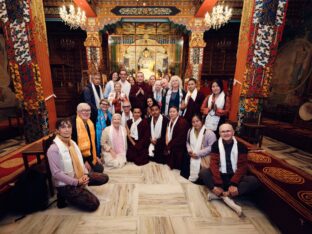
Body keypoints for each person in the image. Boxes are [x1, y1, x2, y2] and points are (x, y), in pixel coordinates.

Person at [47, 118, 109, 211]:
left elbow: (80, 161)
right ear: (57, 131)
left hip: (79, 176)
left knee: (104, 177)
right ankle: (64, 195)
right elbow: (56, 173)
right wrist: (77, 182)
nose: (67, 129)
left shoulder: (72, 143)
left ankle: (80, 189)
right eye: (63, 127)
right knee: (93, 204)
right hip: (66, 184)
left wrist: (84, 174)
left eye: (69, 127)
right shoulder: (54, 149)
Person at [199, 123, 259, 215]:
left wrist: (234, 183)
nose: (226, 133)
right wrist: (217, 183)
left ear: (233, 132)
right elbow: (214, 165)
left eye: (228, 131)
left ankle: (222, 195)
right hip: (221, 175)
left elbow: (242, 167)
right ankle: (226, 196)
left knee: (253, 181)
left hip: (234, 176)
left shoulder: (241, 146)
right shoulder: (216, 145)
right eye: (223, 131)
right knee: (203, 172)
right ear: (219, 134)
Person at [180, 114, 216, 182]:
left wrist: (198, 154)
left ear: (202, 121)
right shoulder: (190, 130)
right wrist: (189, 150)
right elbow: (187, 142)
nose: (195, 123)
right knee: (185, 156)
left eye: (197, 121)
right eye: (193, 122)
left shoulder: (209, 133)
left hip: (203, 156)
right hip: (192, 154)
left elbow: (212, 147)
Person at [71, 103, 104, 173]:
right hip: (77, 156)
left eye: (88, 110)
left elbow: (93, 143)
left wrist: (95, 156)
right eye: (83, 110)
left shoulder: (90, 123)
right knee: (87, 172)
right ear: (77, 112)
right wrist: (84, 161)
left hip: (89, 155)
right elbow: (73, 147)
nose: (86, 112)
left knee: (100, 169)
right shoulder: (73, 124)